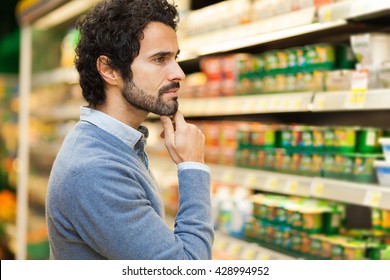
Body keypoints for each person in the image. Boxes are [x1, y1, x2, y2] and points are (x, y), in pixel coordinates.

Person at [46, 0, 214, 260]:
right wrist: (193, 168)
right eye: (160, 59)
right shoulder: (95, 171)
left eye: (175, 58)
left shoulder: (116, 144)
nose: (179, 73)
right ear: (109, 69)